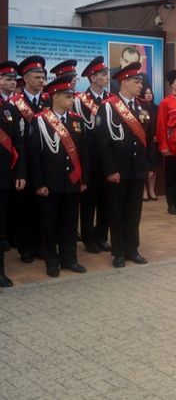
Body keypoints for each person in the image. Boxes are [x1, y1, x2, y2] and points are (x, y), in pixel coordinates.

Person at [30, 75, 89, 277]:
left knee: (70, 222)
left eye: (72, 96)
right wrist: (39, 183)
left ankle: (69, 258)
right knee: (50, 223)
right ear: (55, 97)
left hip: (72, 182)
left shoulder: (76, 121)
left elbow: (84, 154)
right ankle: (51, 260)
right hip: (50, 183)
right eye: (67, 96)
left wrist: (83, 180)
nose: (72, 99)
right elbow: (34, 156)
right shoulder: (40, 121)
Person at [96, 62, 153, 268]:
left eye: (141, 81)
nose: (140, 85)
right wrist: (110, 170)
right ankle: (118, 252)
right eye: (136, 82)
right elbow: (103, 142)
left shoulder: (142, 107)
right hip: (118, 170)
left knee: (134, 212)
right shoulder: (108, 106)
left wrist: (148, 165)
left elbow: (149, 139)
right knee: (117, 212)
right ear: (124, 82)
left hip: (137, 169)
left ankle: (133, 249)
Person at [10, 55, 51, 263]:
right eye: (37, 77)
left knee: (43, 207)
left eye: (43, 77)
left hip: (45, 161)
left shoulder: (48, 101)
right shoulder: (14, 104)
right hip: (24, 161)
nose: (41, 81)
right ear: (25, 78)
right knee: (25, 206)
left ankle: (42, 246)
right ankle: (26, 247)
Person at [74, 56, 112, 253]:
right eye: (103, 74)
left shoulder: (111, 99)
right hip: (89, 157)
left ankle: (101, 236)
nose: (107, 77)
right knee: (89, 201)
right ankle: (89, 238)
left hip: (108, 158)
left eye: (106, 74)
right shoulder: (80, 101)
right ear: (92, 77)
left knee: (106, 199)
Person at [0, 61, 25, 287]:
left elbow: (19, 143)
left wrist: (20, 172)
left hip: (4, 177)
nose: (11, 82)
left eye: (13, 79)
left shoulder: (12, 109)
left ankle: (0, 272)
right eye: (6, 79)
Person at [156, 70, 176, 215]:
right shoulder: (165, 102)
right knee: (171, 175)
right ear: (171, 85)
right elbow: (161, 124)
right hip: (172, 142)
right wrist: (163, 145)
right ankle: (171, 204)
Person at [138, 86, 159, 201]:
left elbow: (159, 123)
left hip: (155, 142)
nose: (148, 95)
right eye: (146, 93)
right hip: (143, 141)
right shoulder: (140, 107)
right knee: (144, 166)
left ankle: (151, 189)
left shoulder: (156, 108)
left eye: (150, 93)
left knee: (153, 167)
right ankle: (144, 190)